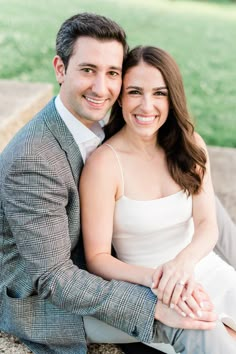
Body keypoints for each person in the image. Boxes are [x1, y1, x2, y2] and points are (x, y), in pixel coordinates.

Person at [0, 12, 235, 354]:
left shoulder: (97, 125)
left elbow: (203, 221)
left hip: (147, 260)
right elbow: (55, 279)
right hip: (51, 296)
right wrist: (154, 299)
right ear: (60, 69)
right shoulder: (34, 160)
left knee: (199, 196)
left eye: (112, 73)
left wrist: (183, 264)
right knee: (196, 323)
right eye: (87, 70)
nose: (101, 87)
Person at [80, 45, 236, 353]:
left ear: (172, 97)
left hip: (202, 268)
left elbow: (207, 224)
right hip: (152, 288)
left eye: (160, 93)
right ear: (121, 96)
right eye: (135, 92)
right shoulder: (104, 164)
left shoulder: (190, 145)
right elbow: (97, 259)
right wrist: (161, 277)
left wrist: (183, 263)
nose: (147, 105)